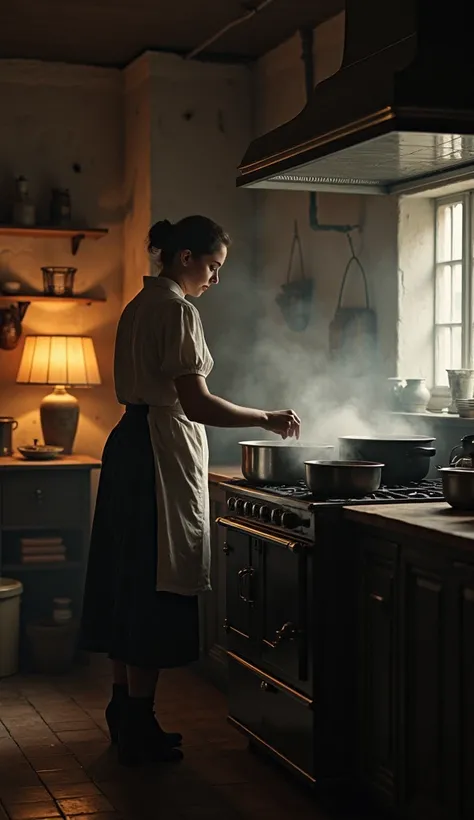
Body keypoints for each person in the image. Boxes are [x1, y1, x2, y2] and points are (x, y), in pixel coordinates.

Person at [80, 214, 301, 767]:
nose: (215, 278)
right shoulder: (177, 310)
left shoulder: (138, 306)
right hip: (155, 453)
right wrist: (266, 416)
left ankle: (123, 711)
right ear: (186, 258)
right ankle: (139, 721)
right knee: (150, 582)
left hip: (131, 443)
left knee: (127, 577)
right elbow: (197, 404)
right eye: (213, 266)